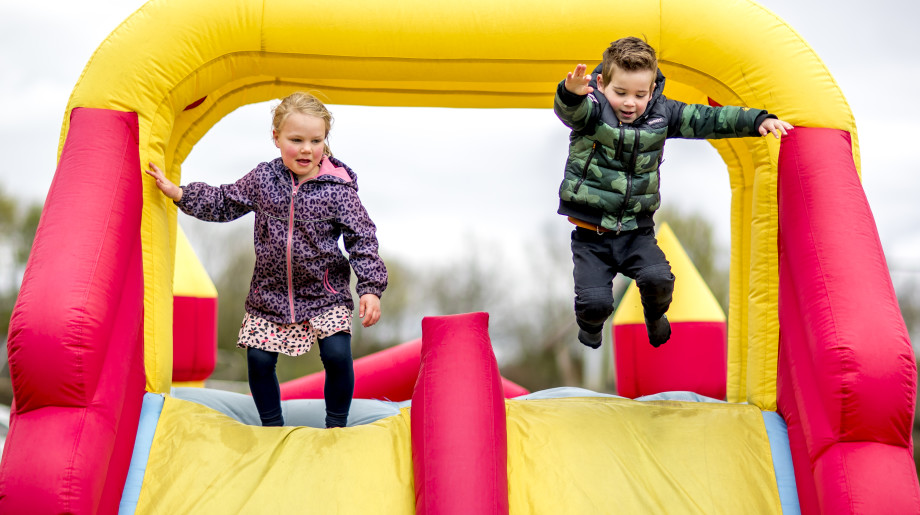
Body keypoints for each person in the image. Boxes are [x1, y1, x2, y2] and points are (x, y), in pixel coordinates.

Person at [147, 91, 387, 428]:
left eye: (316, 140)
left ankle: (336, 425)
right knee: (258, 360)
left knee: (336, 354)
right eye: (297, 139)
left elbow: (362, 238)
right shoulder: (264, 180)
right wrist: (182, 194)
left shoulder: (338, 189)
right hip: (269, 295)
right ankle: (270, 426)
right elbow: (224, 202)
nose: (307, 149)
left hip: (324, 293)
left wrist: (370, 288)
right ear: (276, 138)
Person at [553, 37, 791, 350]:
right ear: (601, 83)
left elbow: (708, 119)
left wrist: (757, 119)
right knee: (594, 304)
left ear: (652, 90)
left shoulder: (661, 114)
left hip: (636, 231)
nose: (630, 103)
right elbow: (571, 111)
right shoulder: (592, 110)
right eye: (620, 92)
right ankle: (591, 324)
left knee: (659, 280)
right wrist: (569, 94)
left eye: (640, 94)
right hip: (591, 234)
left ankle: (654, 317)